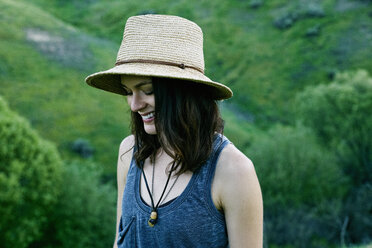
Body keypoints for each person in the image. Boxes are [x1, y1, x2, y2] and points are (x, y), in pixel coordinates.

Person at [85, 14, 263, 248]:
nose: (135, 105)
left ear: (183, 92)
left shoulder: (234, 171)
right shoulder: (129, 152)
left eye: (147, 90)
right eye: (128, 91)